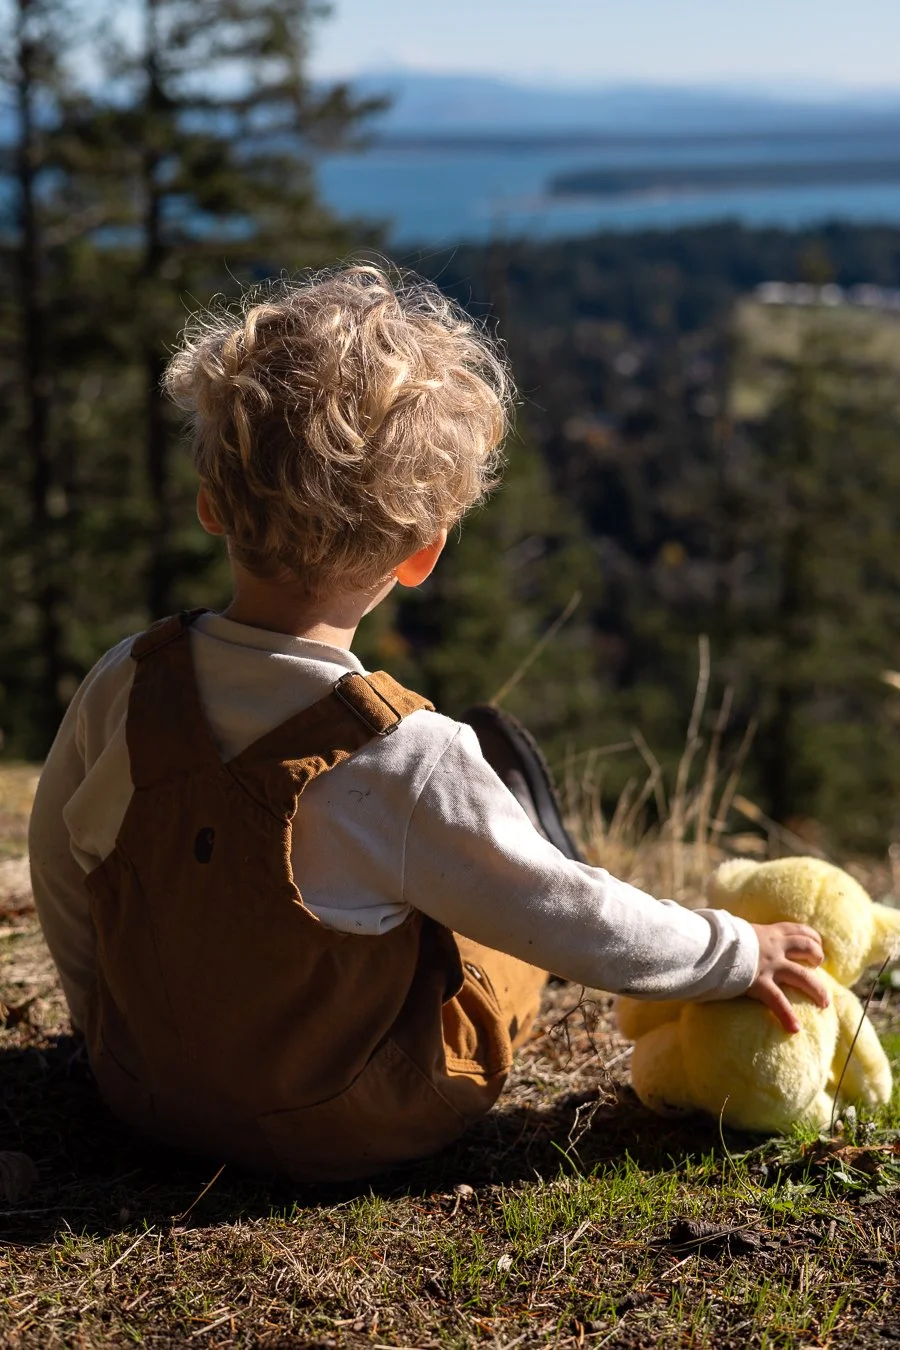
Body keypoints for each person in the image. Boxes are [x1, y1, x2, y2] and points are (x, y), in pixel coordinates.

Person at [28, 264, 828, 1182]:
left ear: (212, 505)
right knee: (493, 920)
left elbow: (59, 863)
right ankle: (515, 832)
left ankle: (488, 842)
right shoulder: (407, 754)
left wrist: (106, 1033)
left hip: (144, 1093)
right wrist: (734, 950)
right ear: (422, 554)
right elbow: (575, 920)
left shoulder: (126, 681)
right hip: (350, 1126)